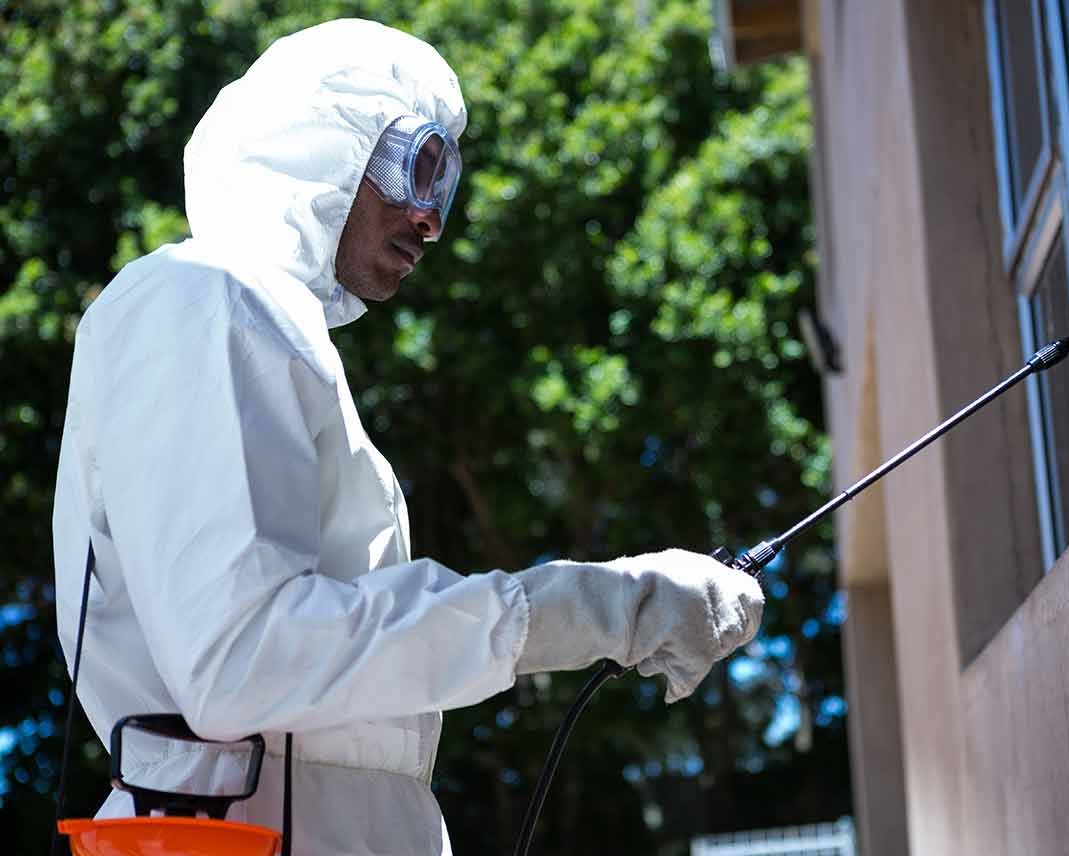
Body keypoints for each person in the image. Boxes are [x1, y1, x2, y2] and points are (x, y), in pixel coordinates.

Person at [52, 18, 764, 855]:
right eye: (415, 166)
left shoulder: (268, 330)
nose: (430, 221)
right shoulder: (203, 297)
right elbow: (240, 660)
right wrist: (595, 608)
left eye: (444, 184)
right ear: (323, 148)